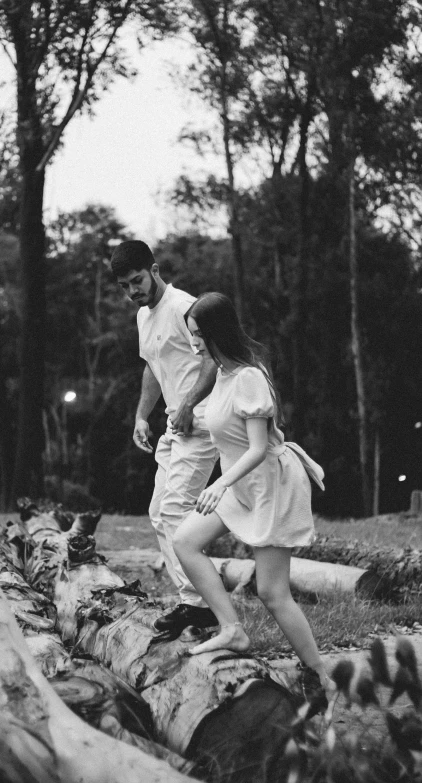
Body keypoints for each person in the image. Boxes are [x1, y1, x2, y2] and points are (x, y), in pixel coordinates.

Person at [172, 292, 334, 700]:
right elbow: (227, 433)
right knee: (185, 542)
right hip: (240, 483)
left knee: (271, 592)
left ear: (216, 334)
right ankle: (232, 629)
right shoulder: (224, 376)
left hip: (271, 486)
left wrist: (218, 484)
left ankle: (322, 676)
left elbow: (258, 447)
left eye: (197, 336)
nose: (194, 344)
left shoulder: (248, 376)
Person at [110, 240, 219, 633]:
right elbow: (153, 367)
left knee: (176, 509)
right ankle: (193, 600)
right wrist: (142, 416)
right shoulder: (144, 316)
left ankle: (201, 604)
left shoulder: (184, 307)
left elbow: (213, 358)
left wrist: (189, 404)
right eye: (124, 286)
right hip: (175, 425)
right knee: (159, 512)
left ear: (154, 270)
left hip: (202, 422)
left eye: (136, 280)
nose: (132, 291)